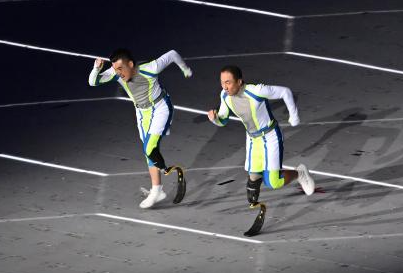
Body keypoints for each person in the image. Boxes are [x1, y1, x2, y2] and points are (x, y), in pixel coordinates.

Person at [207, 65, 314, 233]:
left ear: (239, 81)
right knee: (253, 183)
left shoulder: (256, 91)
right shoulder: (225, 96)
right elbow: (223, 120)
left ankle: (299, 173)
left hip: (270, 136)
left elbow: (285, 92)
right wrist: (215, 119)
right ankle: (257, 207)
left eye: (228, 82)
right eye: (222, 83)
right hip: (252, 139)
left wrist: (294, 115)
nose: (224, 87)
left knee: (273, 182)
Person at [89, 48, 192, 208]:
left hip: (160, 108)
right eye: (115, 69)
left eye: (121, 68)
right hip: (142, 113)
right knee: (148, 151)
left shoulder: (150, 69)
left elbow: (172, 54)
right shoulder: (116, 72)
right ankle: (157, 190)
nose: (118, 73)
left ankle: (167, 171)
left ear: (130, 64)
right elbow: (93, 82)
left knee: (150, 147)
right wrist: (97, 68)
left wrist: (185, 69)